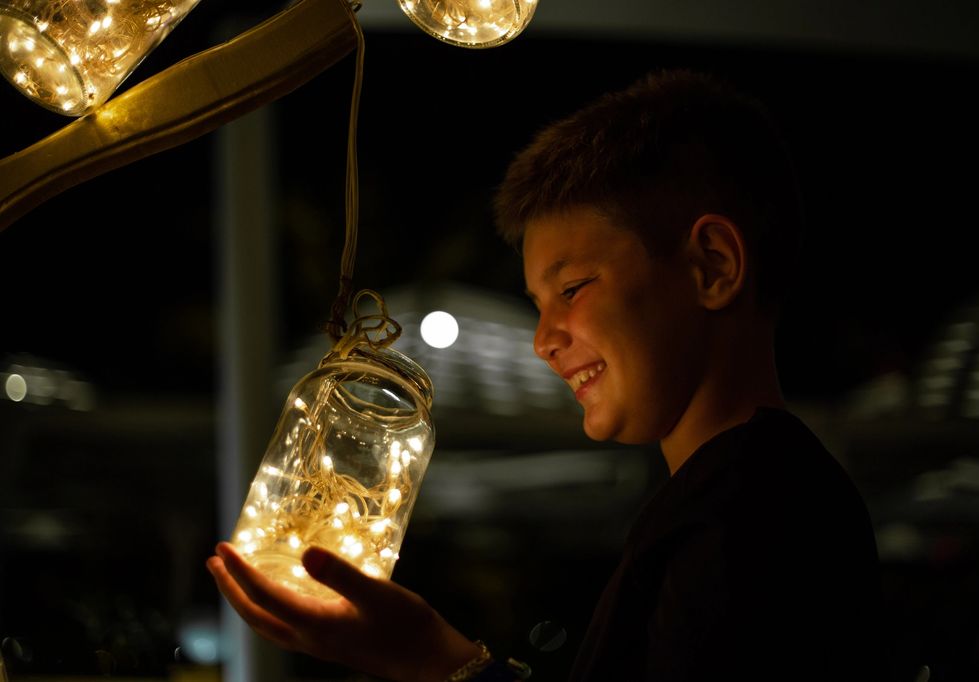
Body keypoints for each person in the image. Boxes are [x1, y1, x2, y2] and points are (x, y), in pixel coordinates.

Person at [208, 67, 889, 681]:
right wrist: (434, 658)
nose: (542, 342)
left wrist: (428, 658)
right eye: (537, 305)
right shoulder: (731, 498)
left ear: (711, 266)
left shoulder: (752, 522)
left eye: (572, 290)